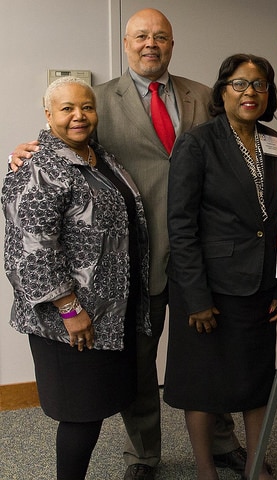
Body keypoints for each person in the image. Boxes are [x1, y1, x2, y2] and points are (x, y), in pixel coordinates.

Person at [10, 9, 245, 480]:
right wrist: (24, 151)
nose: (150, 44)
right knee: (137, 363)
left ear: (173, 44)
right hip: (135, 262)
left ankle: (222, 443)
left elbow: (235, 148)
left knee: (210, 354)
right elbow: (65, 150)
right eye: (141, 36)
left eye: (161, 36)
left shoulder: (202, 95)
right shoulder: (94, 101)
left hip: (203, 255)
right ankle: (143, 455)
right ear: (126, 42)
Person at [2, 76, 150, 479]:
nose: (79, 116)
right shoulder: (38, 166)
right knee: (80, 415)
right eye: (67, 108)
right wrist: (69, 308)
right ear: (48, 114)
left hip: (108, 311)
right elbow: (30, 251)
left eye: (86, 107)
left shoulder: (98, 156)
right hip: (70, 320)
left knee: (96, 408)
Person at [164, 53, 277, 480]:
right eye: (240, 84)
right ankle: (206, 470)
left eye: (259, 84)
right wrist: (196, 298)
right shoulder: (197, 142)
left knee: (257, 380)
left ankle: (254, 466)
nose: (250, 92)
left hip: (261, 283)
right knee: (202, 386)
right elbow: (180, 225)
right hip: (208, 287)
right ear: (222, 90)